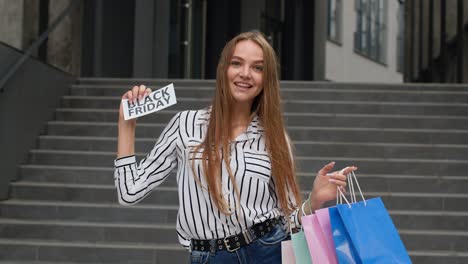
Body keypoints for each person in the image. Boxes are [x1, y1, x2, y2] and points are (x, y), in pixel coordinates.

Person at [114, 31, 356, 263]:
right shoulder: (184, 125)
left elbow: (288, 221)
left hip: (268, 251)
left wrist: (314, 200)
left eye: (257, 68)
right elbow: (129, 192)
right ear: (224, 69)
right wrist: (127, 125)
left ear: (265, 79)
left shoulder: (274, 138)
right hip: (209, 256)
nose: (246, 74)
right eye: (237, 63)